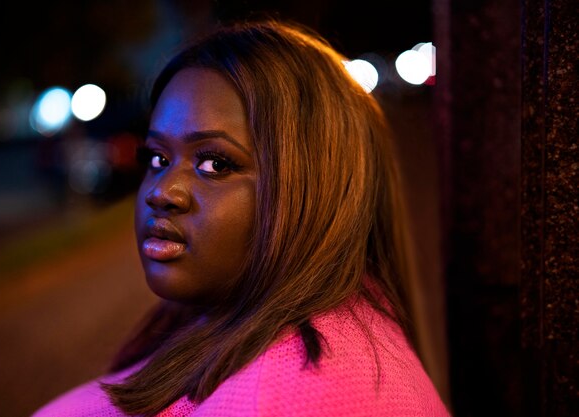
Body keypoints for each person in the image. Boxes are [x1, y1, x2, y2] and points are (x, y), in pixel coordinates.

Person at [31, 19, 451, 417]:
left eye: (214, 164)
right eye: (158, 157)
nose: (161, 192)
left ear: (314, 186)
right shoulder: (232, 323)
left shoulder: (301, 391)